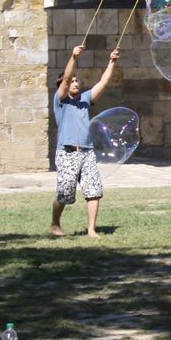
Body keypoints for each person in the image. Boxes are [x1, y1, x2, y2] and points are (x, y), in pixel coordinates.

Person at [51, 44, 120, 237]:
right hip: (67, 152)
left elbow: (103, 83)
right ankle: (55, 223)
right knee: (65, 193)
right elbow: (64, 79)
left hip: (87, 152)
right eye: (72, 81)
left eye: (76, 81)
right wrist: (73, 57)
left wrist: (111, 62)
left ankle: (91, 229)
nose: (74, 83)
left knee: (94, 190)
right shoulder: (60, 100)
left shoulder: (85, 99)